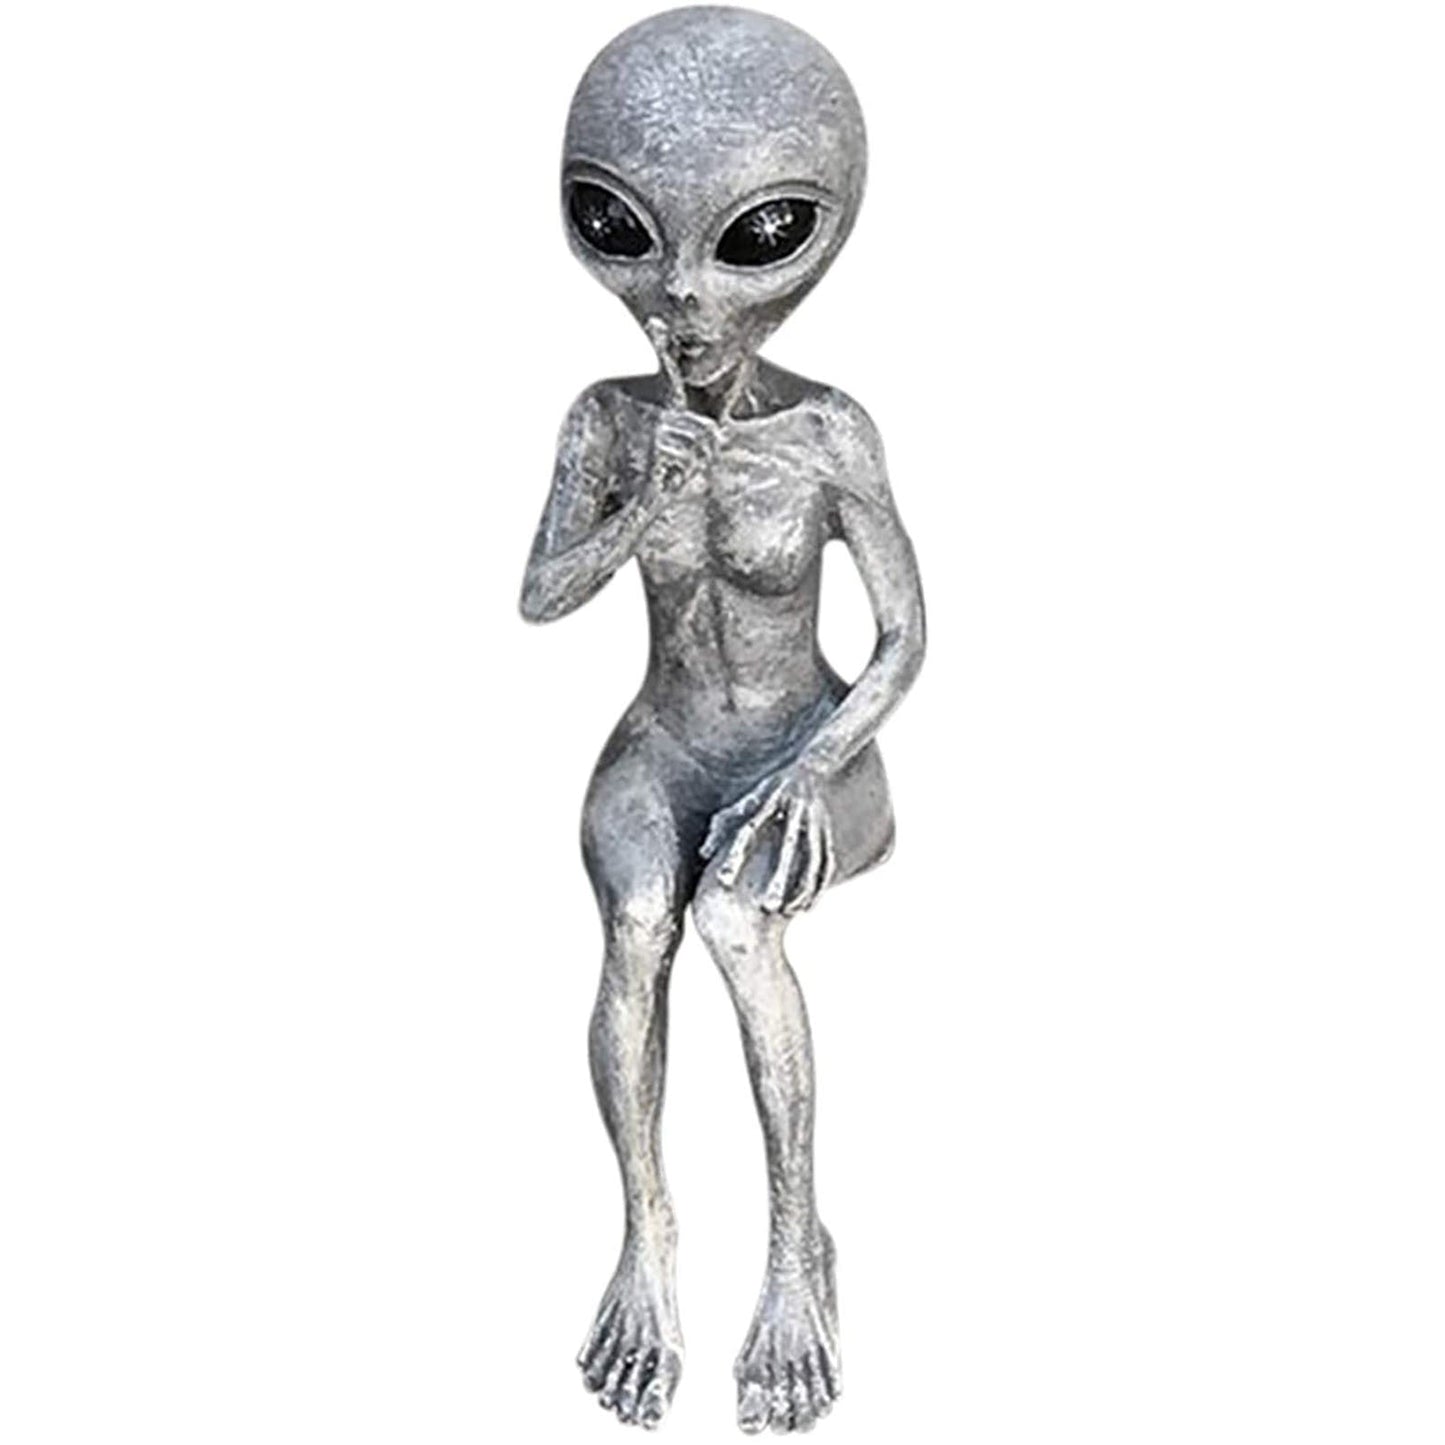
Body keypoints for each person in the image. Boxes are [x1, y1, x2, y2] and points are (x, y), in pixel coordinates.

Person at [520, 8, 926, 1432]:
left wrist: (817, 765)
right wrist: (641, 497)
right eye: (627, 235)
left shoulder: (826, 432)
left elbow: (904, 637)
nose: (682, 297)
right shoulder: (606, 419)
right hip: (665, 737)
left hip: (803, 738)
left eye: (747, 242)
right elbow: (539, 598)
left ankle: (797, 1253)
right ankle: (647, 1236)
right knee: (639, 922)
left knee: (737, 921)